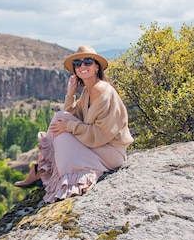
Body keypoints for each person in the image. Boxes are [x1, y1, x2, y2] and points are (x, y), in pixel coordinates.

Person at [14, 45, 133, 203]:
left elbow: (100, 134)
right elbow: (69, 115)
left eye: (88, 62)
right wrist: (71, 93)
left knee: (62, 133)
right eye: (78, 63)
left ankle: (43, 170)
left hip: (109, 151)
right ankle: (42, 169)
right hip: (97, 145)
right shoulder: (88, 91)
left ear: (97, 66)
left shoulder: (101, 90)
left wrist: (69, 127)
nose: (82, 66)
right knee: (59, 118)